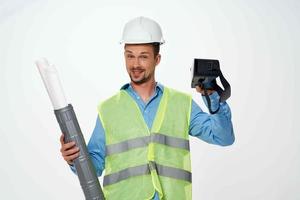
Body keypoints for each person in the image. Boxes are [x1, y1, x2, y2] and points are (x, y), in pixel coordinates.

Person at [60, 16, 235, 200]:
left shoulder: (181, 103)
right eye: (130, 56)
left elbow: (223, 138)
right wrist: (74, 159)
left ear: (157, 59)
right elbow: (94, 166)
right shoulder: (108, 109)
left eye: (143, 57)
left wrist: (212, 97)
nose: (135, 64)